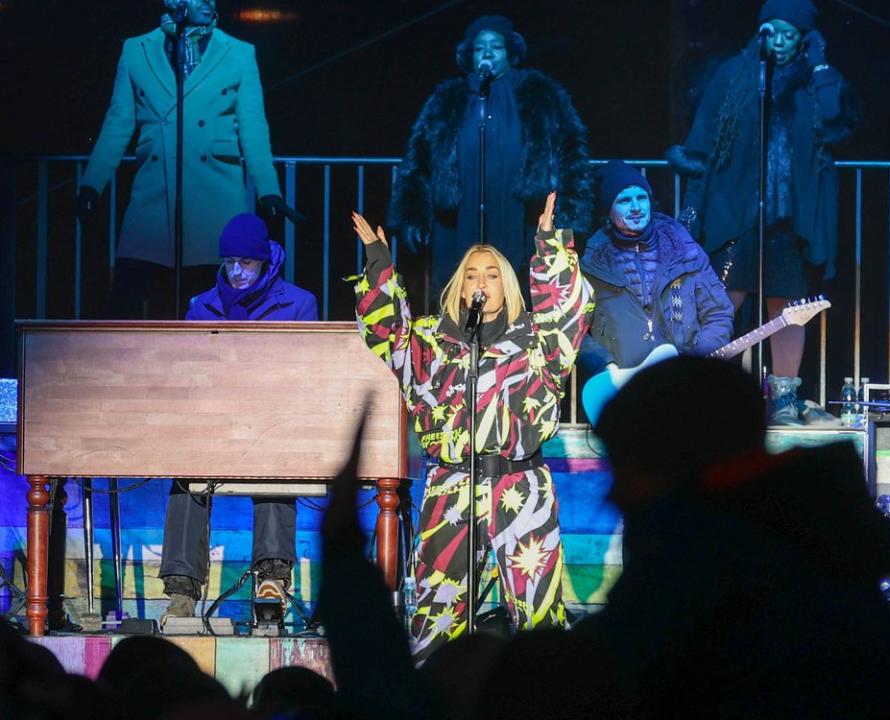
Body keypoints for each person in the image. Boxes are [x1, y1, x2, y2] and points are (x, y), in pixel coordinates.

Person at [576, 356, 890, 717]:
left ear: (678, 469)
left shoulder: (679, 628)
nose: (614, 496)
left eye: (627, 470)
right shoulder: (871, 625)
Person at [354, 192, 594, 662]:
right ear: (460, 288)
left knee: (536, 610)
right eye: (470, 274)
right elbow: (386, 333)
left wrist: (548, 245)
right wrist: (379, 263)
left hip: (519, 484)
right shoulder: (432, 343)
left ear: (506, 284)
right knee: (438, 612)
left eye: (491, 274)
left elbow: (568, 311)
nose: (480, 281)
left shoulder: (536, 343)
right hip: (450, 485)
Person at [668, 0, 857, 423]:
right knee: (720, 301)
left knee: (786, 307)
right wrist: (693, 209)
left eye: (791, 33)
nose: (781, 41)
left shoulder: (815, 80)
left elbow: (836, 121)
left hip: (789, 217)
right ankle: (697, 391)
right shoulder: (737, 75)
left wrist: (822, 66)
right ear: (760, 33)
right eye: (773, 31)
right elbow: (701, 144)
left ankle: (785, 400)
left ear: (805, 38)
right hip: (737, 211)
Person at [76, 0, 300, 319]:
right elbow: (119, 122)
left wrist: (268, 190)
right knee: (129, 287)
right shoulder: (136, 50)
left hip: (217, 189)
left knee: (217, 292)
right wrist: (92, 184)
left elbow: (253, 127)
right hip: (155, 189)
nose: (208, 3)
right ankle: (119, 366)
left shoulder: (238, 52)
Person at [159, 213, 317, 621]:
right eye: (229, 262)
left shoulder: (298, 304)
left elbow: (308, 372)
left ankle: (271, 581)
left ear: (264, 260)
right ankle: (181, 590)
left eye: (245, 263)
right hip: (215, 424)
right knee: (185, 471)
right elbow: (188, 373)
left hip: (271, 422)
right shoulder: (202, 305)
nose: (236, 271)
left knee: (276, 465)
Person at [388, 15, 593, 305]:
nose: (486, 52)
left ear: (509, 51)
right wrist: (413, 214)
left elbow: (572, 155)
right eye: (478, 47)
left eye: (495, 46)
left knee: (516, 286)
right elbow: (417, 160)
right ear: (468, 55)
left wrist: (569, 216)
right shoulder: (449, 99)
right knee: (458, 286)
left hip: (520, 213)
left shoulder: (539, 95)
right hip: (458, 217)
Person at [578, 160, 733, 382]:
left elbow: (718, 313)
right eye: (623, 200)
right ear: (608, 211)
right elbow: (576, 331)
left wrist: (697, 360)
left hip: (684, 383)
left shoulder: (685, 251)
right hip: (623, 388)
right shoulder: (592, 264)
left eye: (641, 198)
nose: (635, 207)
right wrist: (605, 365)